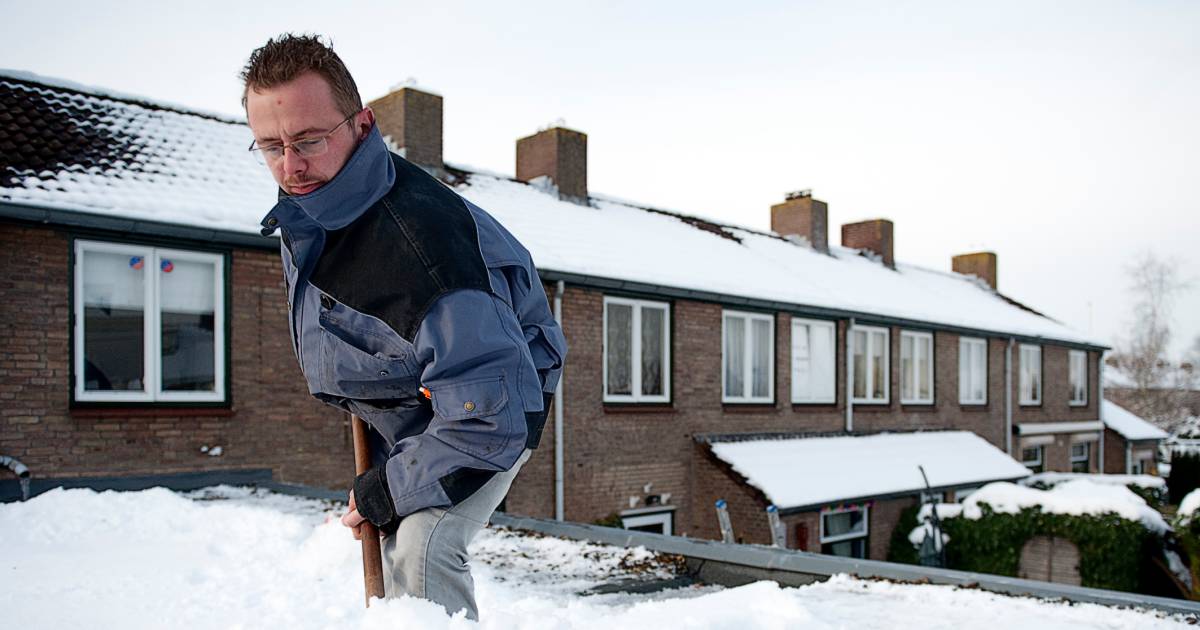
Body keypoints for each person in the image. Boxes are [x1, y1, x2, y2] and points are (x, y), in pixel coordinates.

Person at [241, 34, 567, 620]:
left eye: (309, 141)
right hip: (420, 392)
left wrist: (390, 488)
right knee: (391, 538)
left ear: (362, 125)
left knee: (423, 544)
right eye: (270, 146)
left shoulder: (424, 251)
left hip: (495, 400)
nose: (290, 166)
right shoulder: (314, 206)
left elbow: (487, 410)